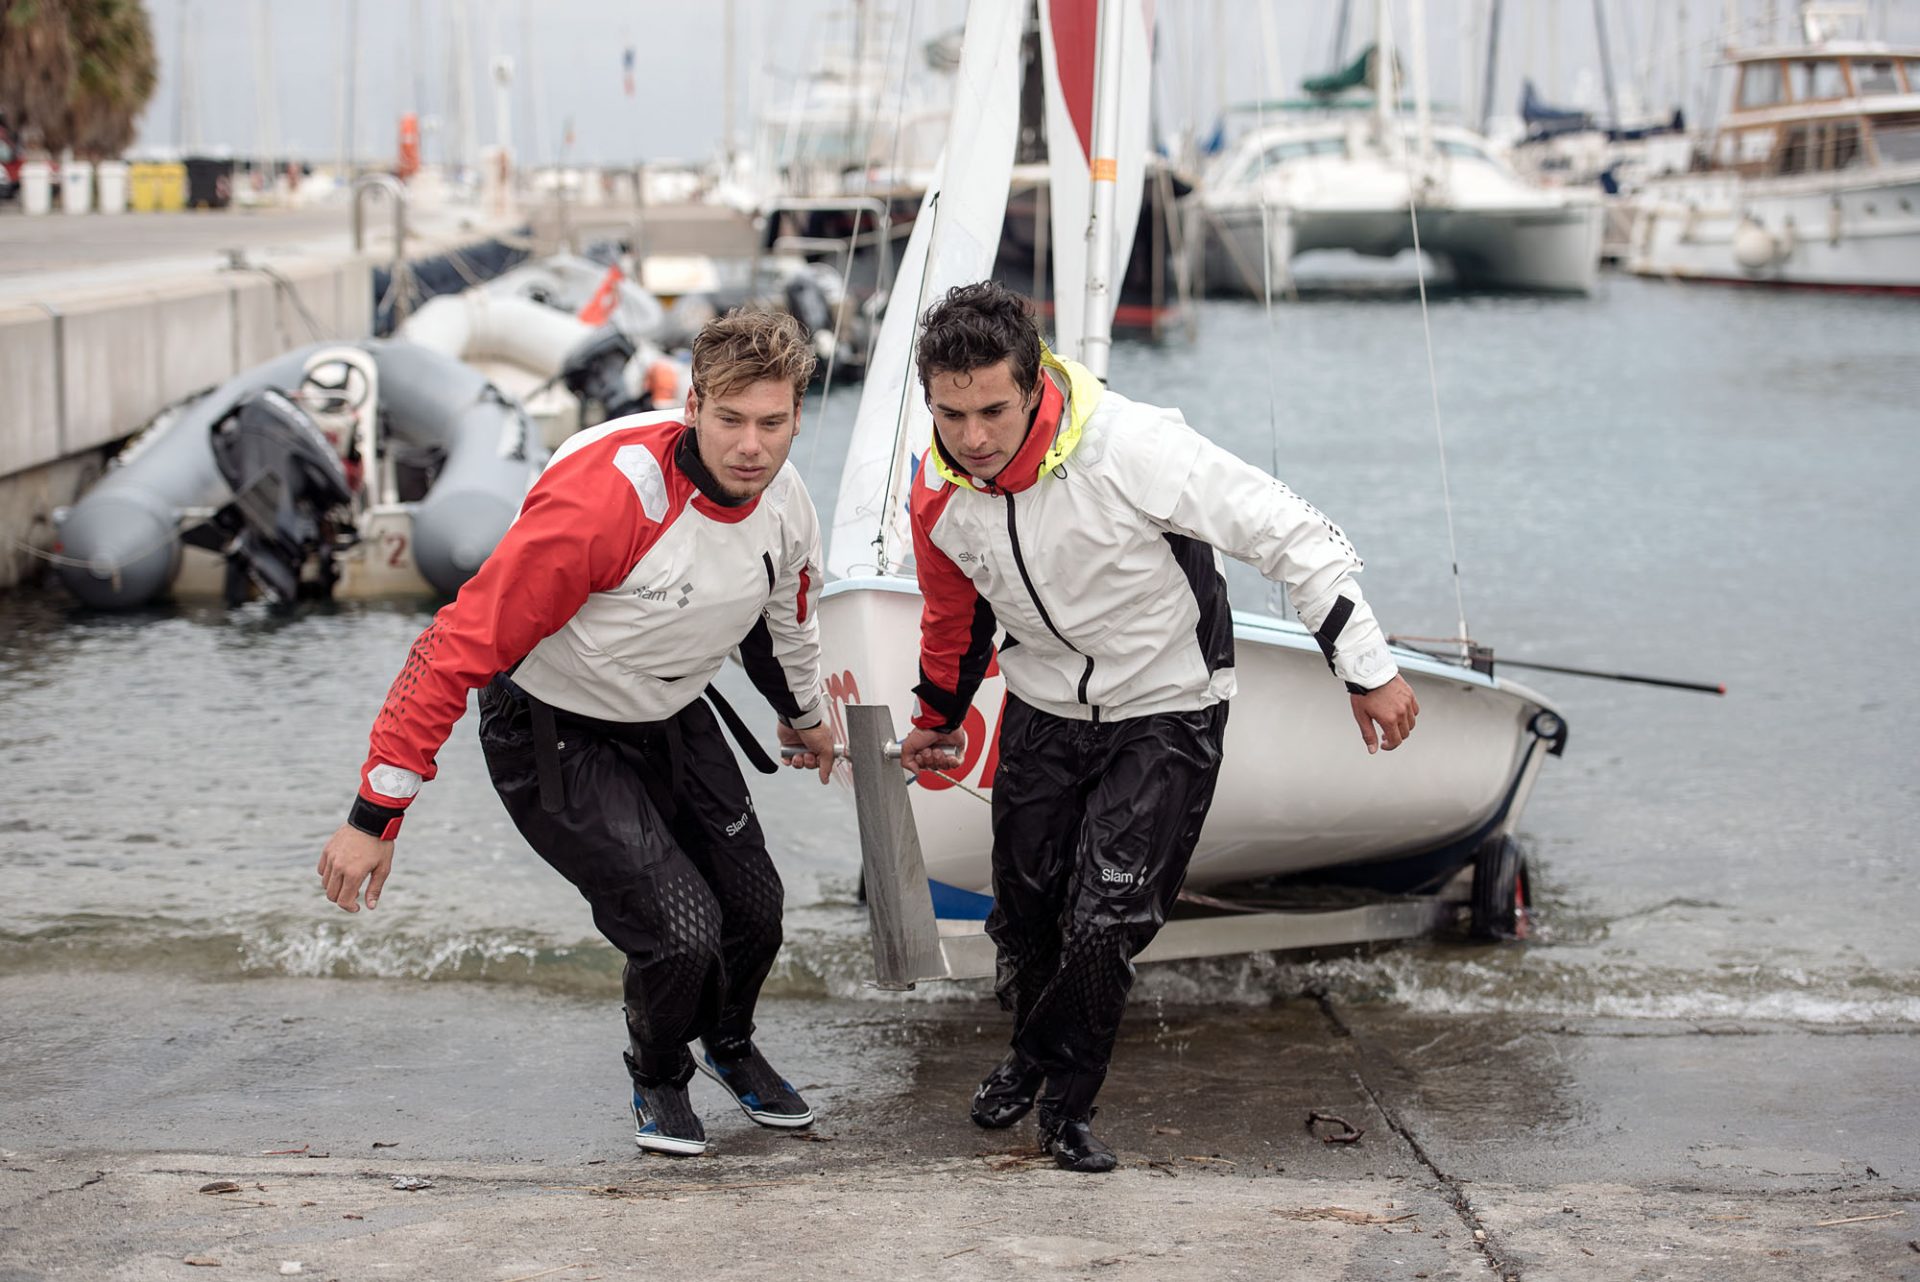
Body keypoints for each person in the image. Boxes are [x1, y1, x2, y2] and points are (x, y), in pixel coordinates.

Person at [897, 282, 1419, 1173]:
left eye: (992, 410)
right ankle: (1032, 1049)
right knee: (1023, 918)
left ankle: (1063, 1104)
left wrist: (1365, 667)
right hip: (1045, 707)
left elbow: (1291, 531)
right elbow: (957, 619)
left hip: (1167, 704)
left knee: (1105, 922)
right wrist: (938, 718)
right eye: (951, 415)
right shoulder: (939, 492)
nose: (974, 438)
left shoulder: (1131, 448)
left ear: (1033, 386)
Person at [316, 309, 837, 1158]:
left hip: (671, 711)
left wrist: (808, 719)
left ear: (795, 419)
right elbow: (451, 649)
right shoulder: (608, 499)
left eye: (772, 424)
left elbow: (783, 619)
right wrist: (375, 817)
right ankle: (659, 1071)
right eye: (731, 421)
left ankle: (729, 1045)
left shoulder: (785, 501)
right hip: (553, 732)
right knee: (679, 931)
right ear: (694, 405)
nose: (752, 446)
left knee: (756, 912)